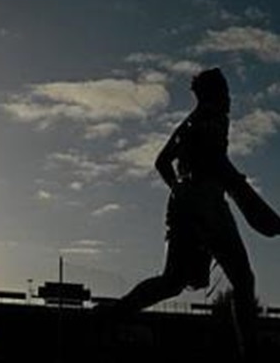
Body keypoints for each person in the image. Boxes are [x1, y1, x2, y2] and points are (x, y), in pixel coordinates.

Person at [105, 67, 258, 360]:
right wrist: (236, 185)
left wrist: (178, 189)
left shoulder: (189, 123)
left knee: (172, 282)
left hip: (184, 207)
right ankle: (249, 353)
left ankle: (113, 314)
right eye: (225, 92)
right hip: (206, 204)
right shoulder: (213, 119)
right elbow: (215, 161)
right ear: (216, 93)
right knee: (243, 278)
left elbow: (162, 161)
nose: (229, 99)